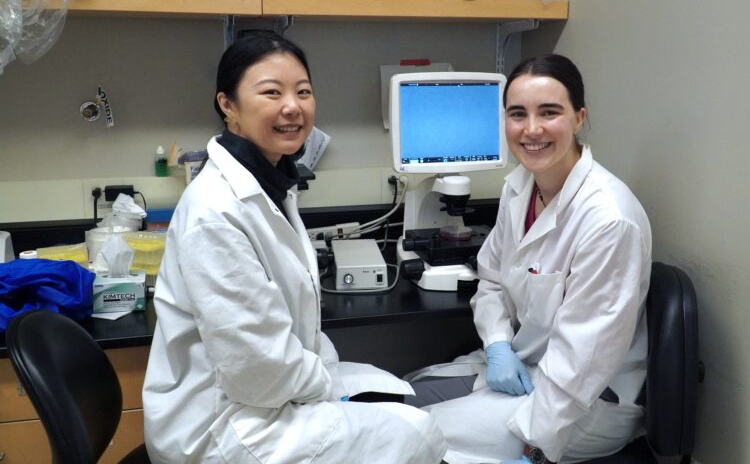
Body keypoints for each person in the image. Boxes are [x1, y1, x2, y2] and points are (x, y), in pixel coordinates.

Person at [142, 31, 446, 463]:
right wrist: (325, 391)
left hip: (268, 394)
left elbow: (285, 340)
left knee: (396, 391)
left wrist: (328, 387)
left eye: (303, 92)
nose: (292, 106)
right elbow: (258, 369)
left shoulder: (271, 184)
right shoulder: (216, 210)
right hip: (222, 425)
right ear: (228, 106)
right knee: (416, 433)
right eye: (271, 92)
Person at [405, 54, 652, 464]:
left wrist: (536, 448)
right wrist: (499, 343)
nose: (531, 129)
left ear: (579, 118)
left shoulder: (609, 220)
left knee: (412, 436)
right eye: (517, 114)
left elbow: (581, 365)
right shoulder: (520, 188)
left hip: (580, 405)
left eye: (549, 112)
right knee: (404, 394)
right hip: (524, 367)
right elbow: (492, 280)